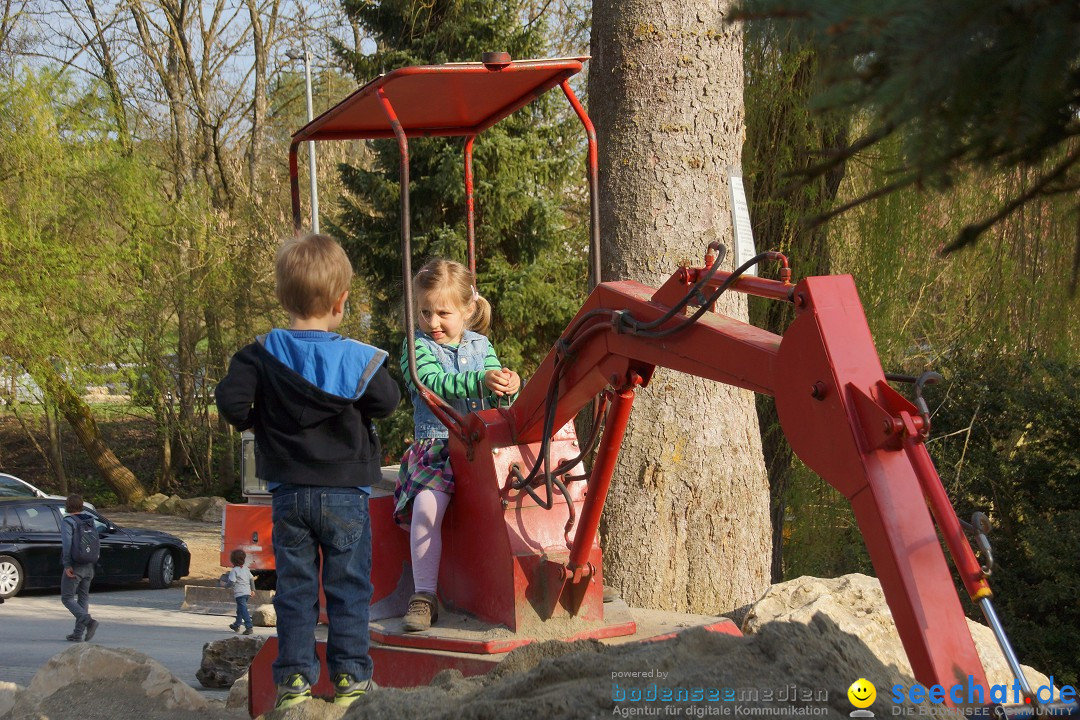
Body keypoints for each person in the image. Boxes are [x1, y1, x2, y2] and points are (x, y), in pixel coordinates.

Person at [215, 232, 400, 709]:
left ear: (282, 297)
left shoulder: (260, 352)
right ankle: (351, 681)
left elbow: (231, 401)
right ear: (341, 301)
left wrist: (265, 424)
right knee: (348, 588)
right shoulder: (358, 356)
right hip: (345, 493)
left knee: (295, 589)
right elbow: (387, 401)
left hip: (290, 492)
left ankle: (295, 682)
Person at [395, 258, 520, 632]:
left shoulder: (483, 346)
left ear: (467, 309)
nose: (432, 322)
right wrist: (481, 380)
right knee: (426, 512)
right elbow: (431, 383)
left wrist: (508, 387)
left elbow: (497, 395)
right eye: (425, 312)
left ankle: (544, 569)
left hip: (481, 451)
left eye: (443, 312)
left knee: (522, 501)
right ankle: (423, 596)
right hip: (437, 450)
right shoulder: (414, 349)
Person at [60, 493, 99, 642]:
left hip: (75, 565)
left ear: (68, 505)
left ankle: (89, 622)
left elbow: (67, 544)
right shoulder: (89, 520)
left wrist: (67, 564)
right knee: (83, 598)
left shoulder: (68, 521)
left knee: (67, 597)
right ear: (81, 505)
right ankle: (77, 634)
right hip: (89, 564)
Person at [225, 549, 255, 635]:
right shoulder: (246, 568)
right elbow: (251, 579)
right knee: (240, 609)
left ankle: (249, 626)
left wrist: (224, 586)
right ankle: (237, 625)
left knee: (243, 610)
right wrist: (253, 590)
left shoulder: (234, 571)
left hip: (240, 593)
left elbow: (231, 582)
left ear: (232, 560)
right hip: (247, 592)